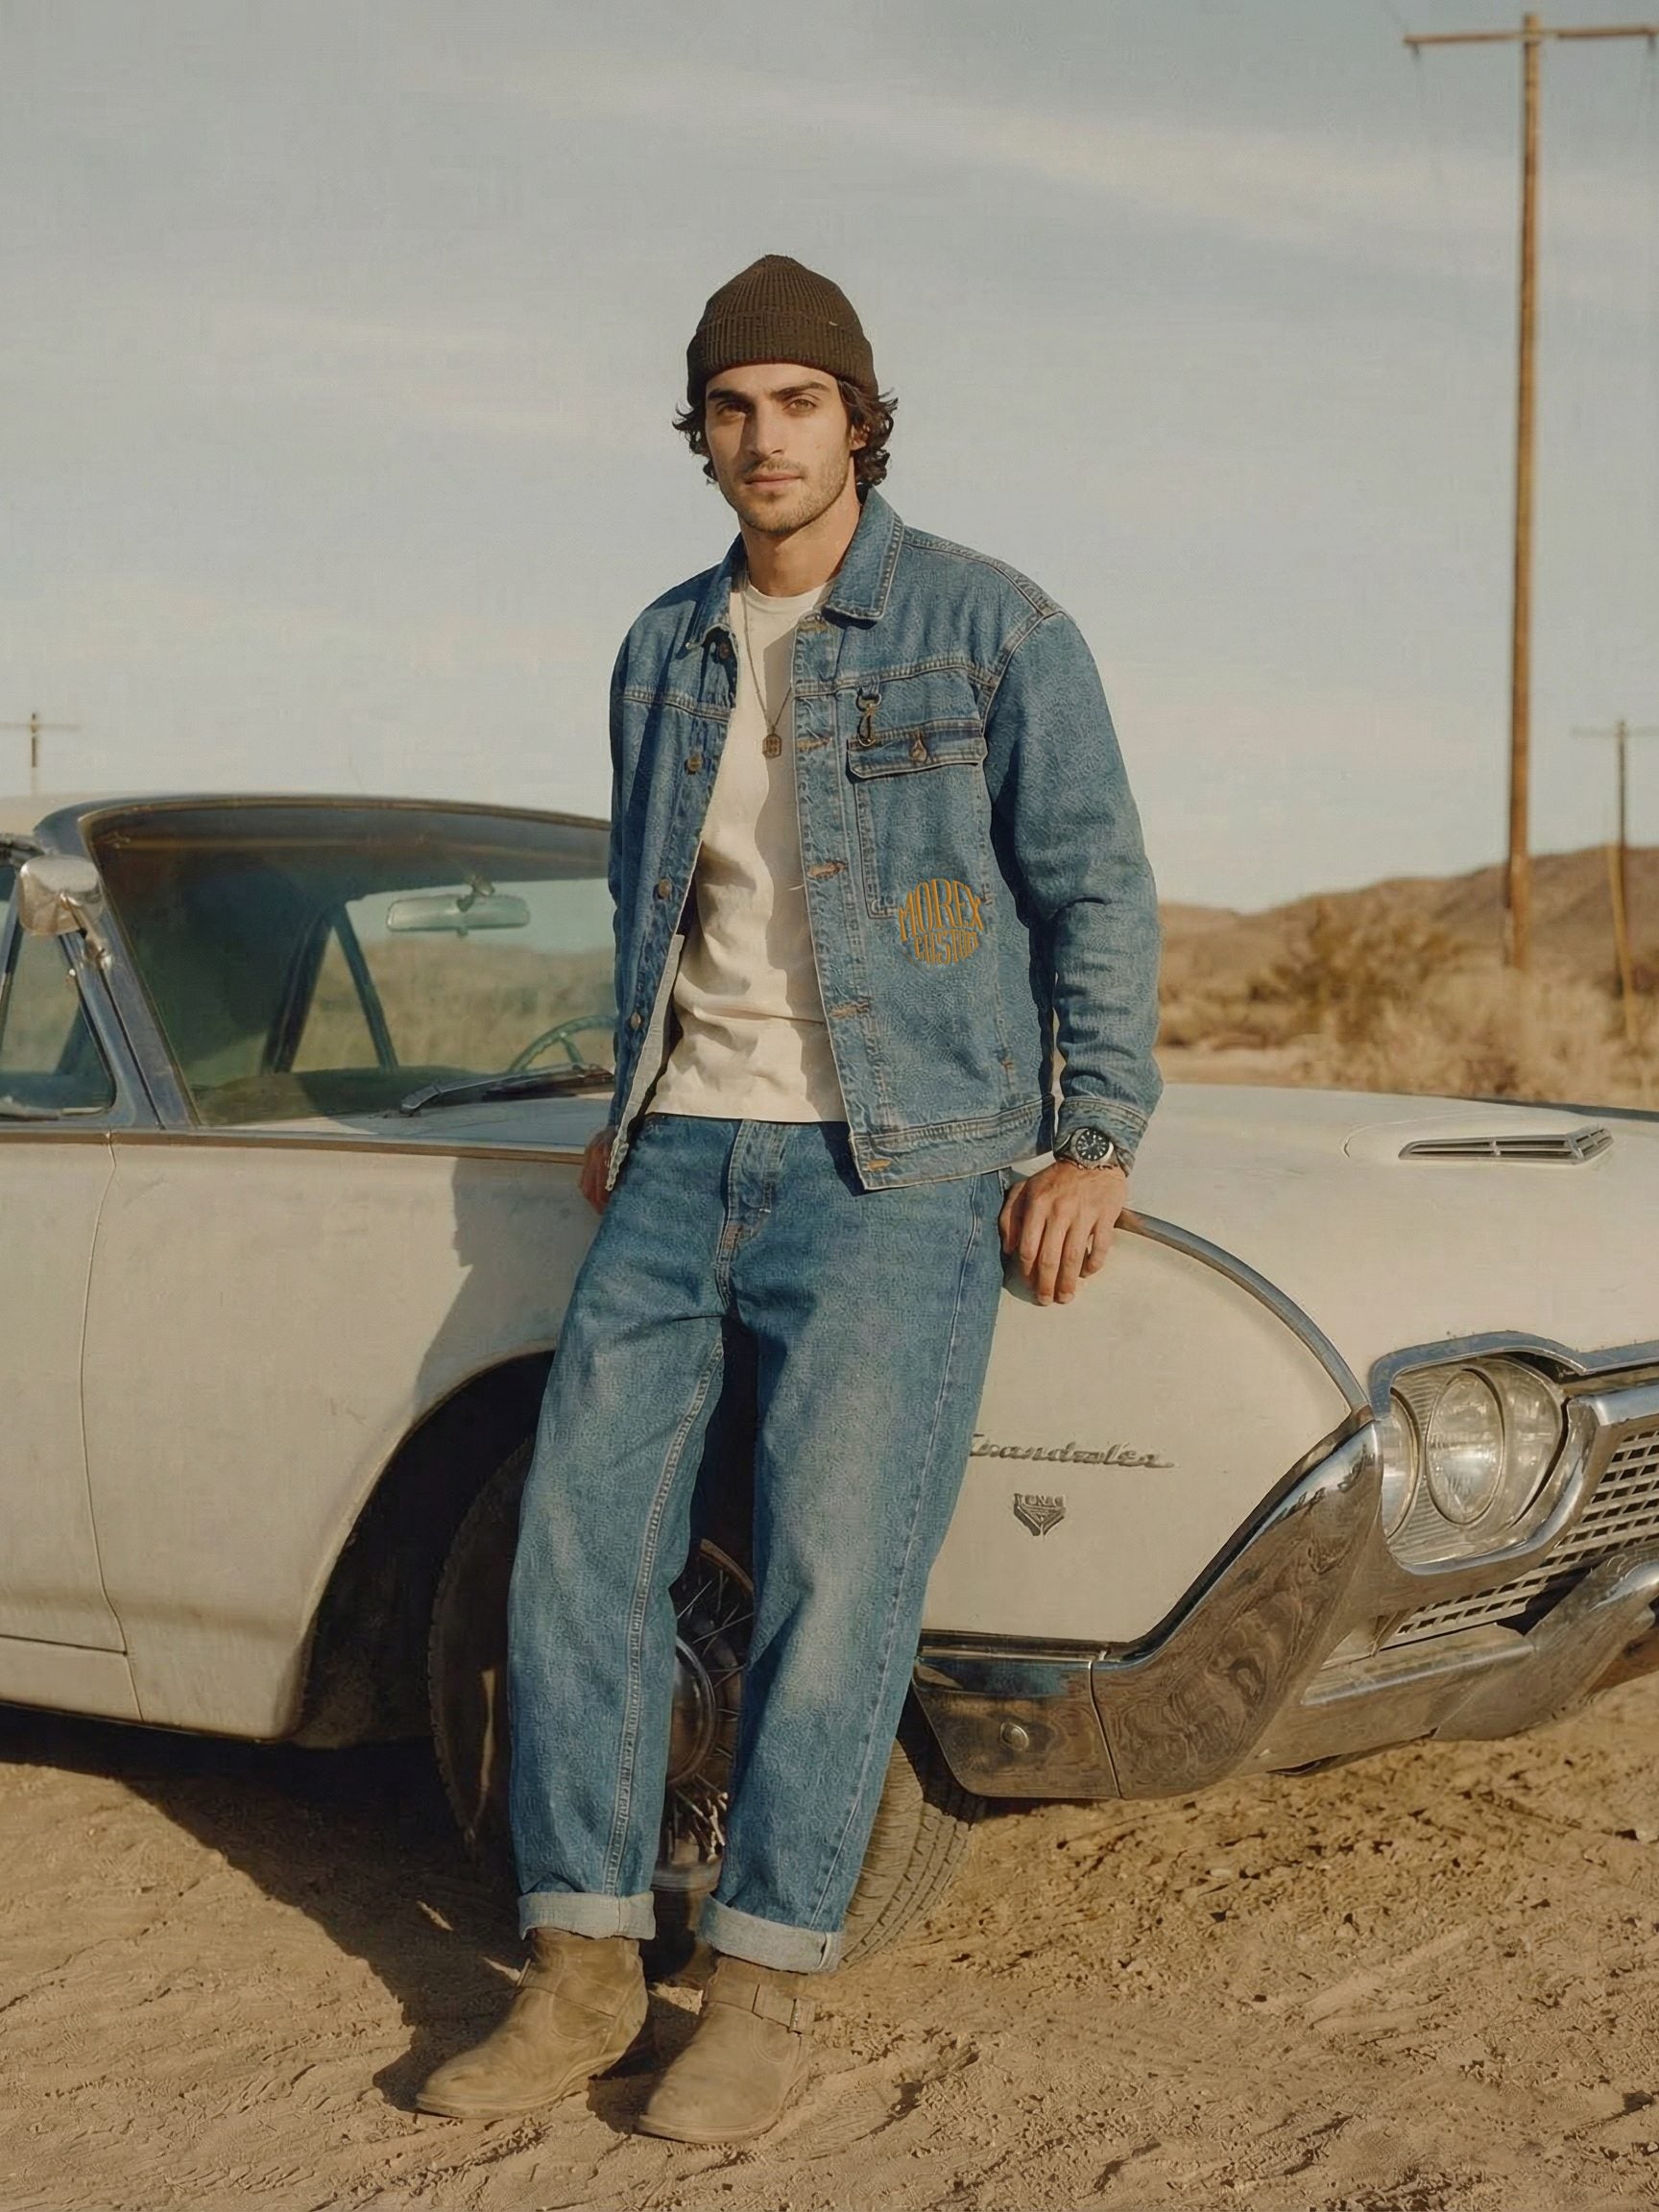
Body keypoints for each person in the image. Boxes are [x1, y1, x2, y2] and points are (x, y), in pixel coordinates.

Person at [417, 254, 1162, 2143]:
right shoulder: (661, 647)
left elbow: (1095, 888)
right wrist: (632, 1089)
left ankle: (755, 1985)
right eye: (731, 407)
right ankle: (585, 1966)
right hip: (678, 1159)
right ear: (701, 433)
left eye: (799, 403)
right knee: (580, 1549)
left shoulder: (992, 630)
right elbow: (655, 904)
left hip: (899, 1173)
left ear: (859, 419)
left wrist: (1098, 1135)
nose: (765, 437)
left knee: (839, 1583)